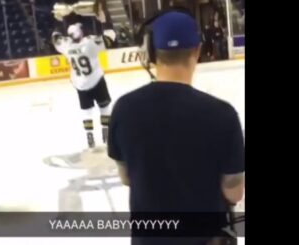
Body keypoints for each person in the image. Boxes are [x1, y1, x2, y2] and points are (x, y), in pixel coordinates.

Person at [108, 11, 244, 244]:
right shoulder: (222, 114)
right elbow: (234, 191)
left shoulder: (123, 109)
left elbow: (127, 177)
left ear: (151, 53)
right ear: (197, 52)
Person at [52, 22, 112, 148]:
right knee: (104, 107)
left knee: (87, 111)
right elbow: (109, 39)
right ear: (81, 32)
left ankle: (89, 134)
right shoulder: (89, 43)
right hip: (96, 80)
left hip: (80, 84)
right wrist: (104, 21)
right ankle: (106, 131)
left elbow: (55, 38)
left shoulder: (66, 45)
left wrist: (58, 22)